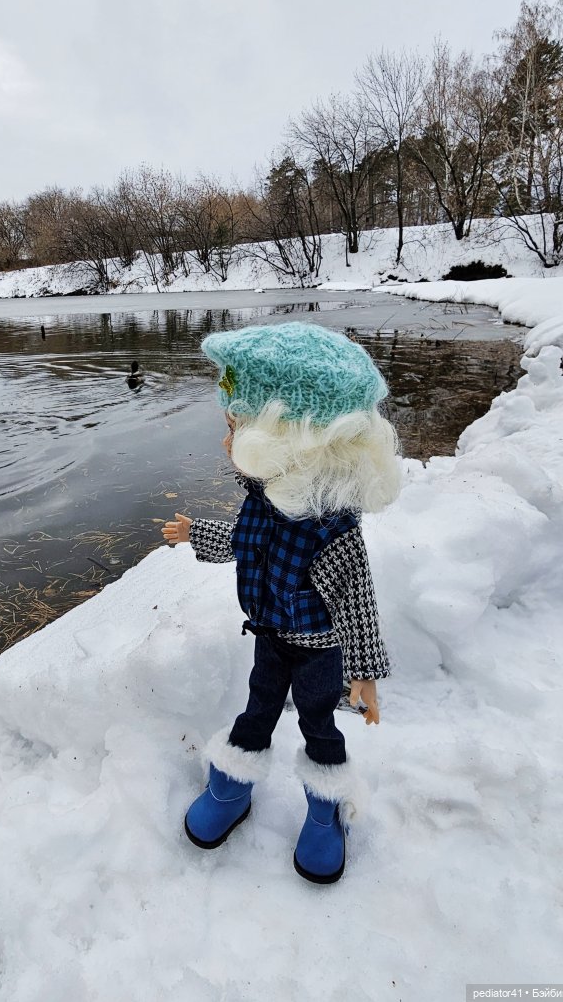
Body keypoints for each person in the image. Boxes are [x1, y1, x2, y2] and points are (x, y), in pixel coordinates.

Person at [161, 321, 401, 883]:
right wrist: (197, 534)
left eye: (235, 430)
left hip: (321, 653)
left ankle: (324, 812)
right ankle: (232, 788)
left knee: (320, 724)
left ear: (288, 442)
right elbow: (245, 547)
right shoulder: (263, 503)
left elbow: (358, 606)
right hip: (269, 639)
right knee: (257, 710)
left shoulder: (333, 530)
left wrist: (363, 673)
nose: (226, 443)